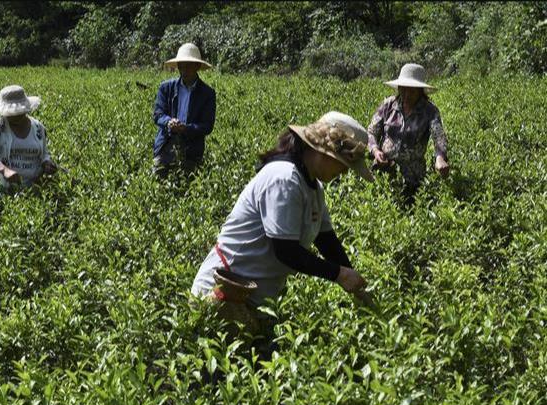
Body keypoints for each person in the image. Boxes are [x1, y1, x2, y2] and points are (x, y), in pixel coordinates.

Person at [191, 111, 375, 333]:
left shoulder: (314, 188)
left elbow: (327, 241)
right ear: (325, 153)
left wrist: (355, 285)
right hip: (223, 294)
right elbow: (286, 250)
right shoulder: (284, 179)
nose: (345, 172)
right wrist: (339, 274)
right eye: (344, 164)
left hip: (254, 301)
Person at [367, 63, 450, 201]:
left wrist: (440, 157)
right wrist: (375, 150)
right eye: (403, 89)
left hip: (413, 178)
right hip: (384, 171)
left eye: (411, 91)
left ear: (420, 91)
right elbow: (371, 132)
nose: (406, 94)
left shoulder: (429, 111)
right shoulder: (388, 105)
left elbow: (439, 136)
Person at [152, 43, 216, 177]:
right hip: (167, 143)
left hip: (192, 148)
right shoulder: (166, 88)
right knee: (158, 176)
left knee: (189, 184)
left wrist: (186, 128)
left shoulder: (207, 93)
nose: (184, 70)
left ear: (197, 67)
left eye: (188, 66)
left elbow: (207, 126)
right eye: (181, 65)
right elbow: (158, 115)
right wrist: (169, 122)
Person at [0, 85, 58, 191]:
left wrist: (47, 163)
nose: (13, 115)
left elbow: (44, 154)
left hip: (33, 188)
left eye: (17, 112)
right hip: (4, 189)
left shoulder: (38, 128)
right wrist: (4, 170)